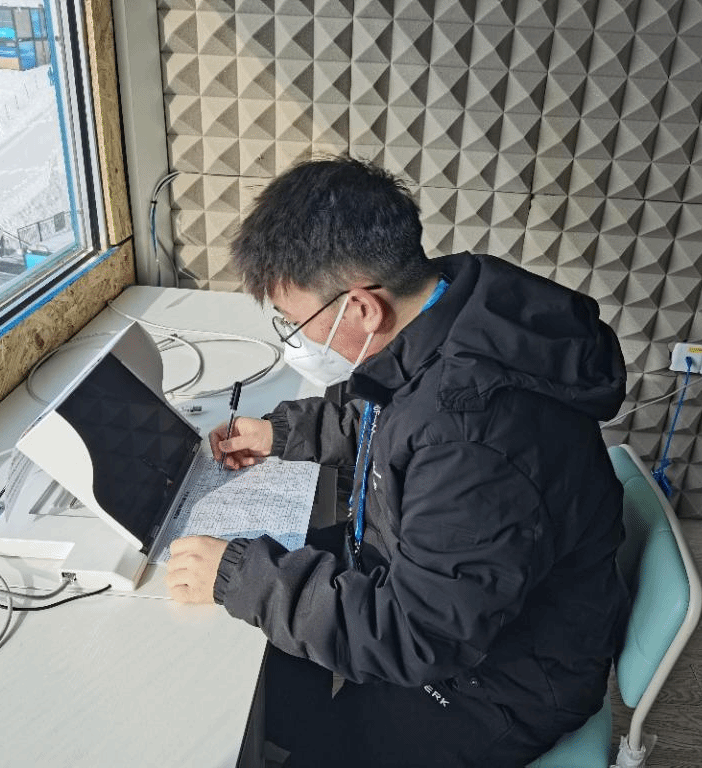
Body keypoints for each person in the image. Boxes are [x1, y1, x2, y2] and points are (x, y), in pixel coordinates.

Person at [165, 156, 630, 767]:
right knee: (286, 676)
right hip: (458, 602)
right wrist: (282, 432)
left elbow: (419, 636)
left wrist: (235, 577)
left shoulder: (472, 443)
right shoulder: (455, 301)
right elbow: (388, 402)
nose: (297, 337)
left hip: (492, 683)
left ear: (362, 308)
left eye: (296, 321)